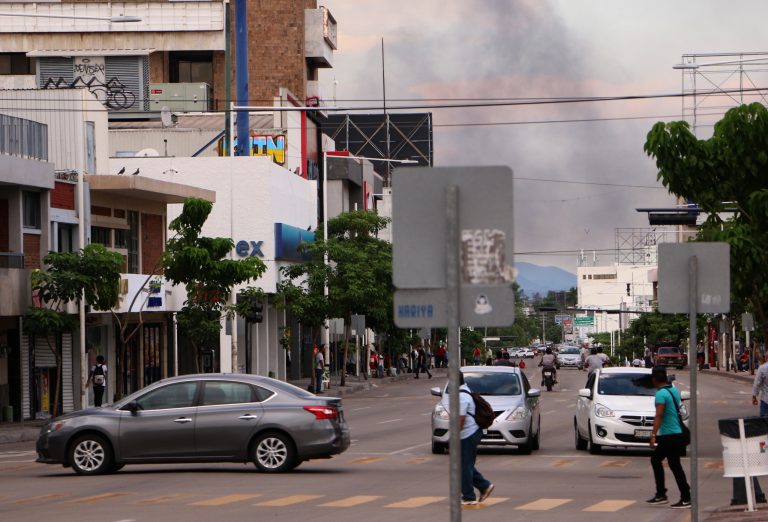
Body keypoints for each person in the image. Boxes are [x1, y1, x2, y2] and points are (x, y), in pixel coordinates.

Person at [646, 367, 691, 509]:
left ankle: (679, 496)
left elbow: (659, 415)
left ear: (654, 379)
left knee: (658, 460)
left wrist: (653, 435)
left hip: (669, 435)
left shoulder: (660, 394)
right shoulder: (673, 391)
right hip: (676, 433)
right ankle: (672, 495)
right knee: (673, 464)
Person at [448, 372, 494, 506]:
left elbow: (460, 420)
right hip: (469, 433)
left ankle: (469, 496)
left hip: (467, 434)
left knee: (465, 466)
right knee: (464, 465)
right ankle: (484, 486)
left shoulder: (462, 396)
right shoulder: (463, 392)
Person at [751, 350, 768, 416]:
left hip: (766, 400)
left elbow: (757, 383)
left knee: (764, 423)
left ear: (766, 358)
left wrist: (754, 396)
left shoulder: (762, 368)